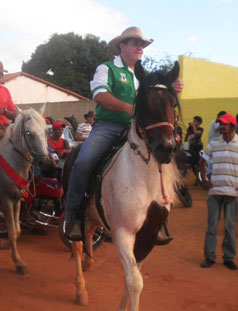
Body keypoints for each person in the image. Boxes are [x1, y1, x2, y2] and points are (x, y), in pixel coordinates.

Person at [64, 26, 184, 240]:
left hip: (135, 130)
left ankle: (153, 218)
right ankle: (74, 216)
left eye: (142, 45)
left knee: (159, 164)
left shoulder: (140, 76)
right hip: (107, 128)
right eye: (135, 43)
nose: (140, 47)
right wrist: (130, 109)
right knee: (82, 163)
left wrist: (171, 86)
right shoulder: (107, 68)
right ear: (122, 46)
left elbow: (156, 96)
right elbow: (101, 96)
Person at [200, 113, 238, 270]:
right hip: (215, 192)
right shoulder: (214, 143)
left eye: (225, 124)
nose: (221, 126)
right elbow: (202, 162)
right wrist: (204, 181)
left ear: (233, 127)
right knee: (212, 226)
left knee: (229, 228)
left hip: (234, 193)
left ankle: (229, 258)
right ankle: (209, 257)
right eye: (220, 124)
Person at [0, 61, 17, 138]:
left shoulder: (4, 90)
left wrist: (4, 111)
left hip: (4, 129)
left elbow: (14, 114)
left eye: (1, 74)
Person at [184, 116, 203, 185]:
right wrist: (185, 143)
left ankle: (199, 179)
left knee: (196, 165)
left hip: (197, 148)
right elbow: (187, 135)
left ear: (199, 123)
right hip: (191, 148)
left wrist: (193, 126)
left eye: (195, 121)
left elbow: (196, 133)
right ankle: (198, 179)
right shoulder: (190, 128)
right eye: (193, 121)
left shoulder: (201, 129)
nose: (193, 122)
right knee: (192, 165)